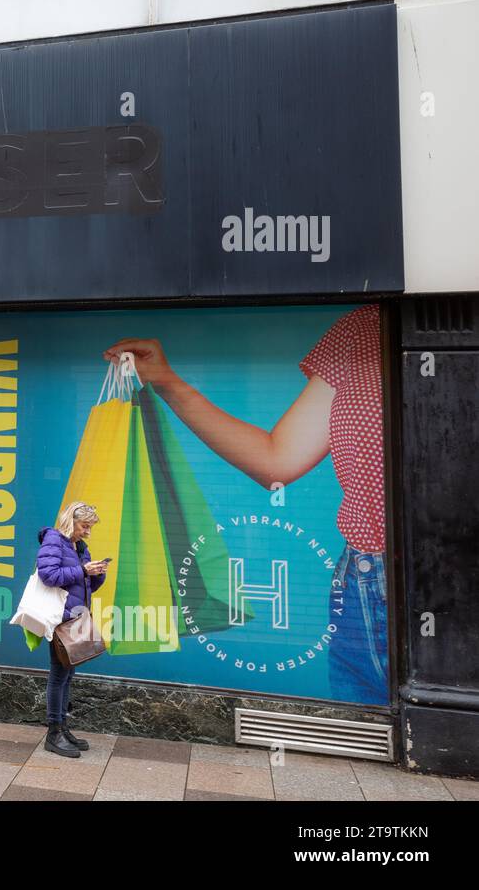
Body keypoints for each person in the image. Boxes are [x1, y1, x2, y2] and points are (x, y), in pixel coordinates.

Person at [103, 304, 388, 703]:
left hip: (442, 581)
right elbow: (277, 459)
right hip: (362, 584)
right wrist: (166, 382)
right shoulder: (364, 326)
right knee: (368, 743)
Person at [36, 501, 109, 758]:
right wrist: (82, 570)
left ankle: (63, 729)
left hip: (75, 619)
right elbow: (48, 575)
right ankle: (53, 734)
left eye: (90, 527)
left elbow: (84, 585)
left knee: (67, 674)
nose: (88, 532)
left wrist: (96, 574)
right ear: (71, 520)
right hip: (60, 619)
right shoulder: (54, 540)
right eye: (84, 526)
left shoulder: (79, 546)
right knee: (58, 675)